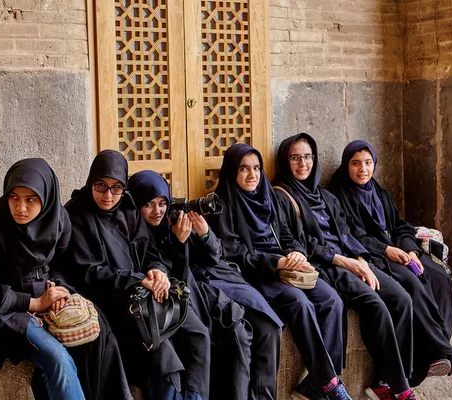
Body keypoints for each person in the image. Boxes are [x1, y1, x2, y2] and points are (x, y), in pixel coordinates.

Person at [0, 158, 132, 400]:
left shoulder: (58, 221)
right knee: (56, 357)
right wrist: (35, 303)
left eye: (31, 199)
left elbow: (60, 267)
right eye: (14, 197)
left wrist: (59, 292)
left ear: (46, 198)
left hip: (45, 301)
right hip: (1, 312)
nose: (21, 208)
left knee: (99, 333)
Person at [273, 133, 416, 400]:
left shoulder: (326, 196)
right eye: (295, 158)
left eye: (307, 157)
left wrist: (361, 260)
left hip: (351, 260)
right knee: (375, 305)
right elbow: (301, 243)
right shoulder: (281, 196)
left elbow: (346, 233)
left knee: (400, 298)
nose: (303, 164)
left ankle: (386, 379)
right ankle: (399, 388)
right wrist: (343, 261)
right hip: (326, 266)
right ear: (285, 161)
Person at [208, 143, 351, 400]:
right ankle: (329, 382)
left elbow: (287, 233)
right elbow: (233, 255)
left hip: (288, 266)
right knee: (299, 303)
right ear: (231, 171)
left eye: (256, 169)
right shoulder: (222, 205)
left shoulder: (268, 196)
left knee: (331, 300)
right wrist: (276, 263)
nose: (252, 176)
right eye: (243, 169)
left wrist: (295, 252)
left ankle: (313, 385)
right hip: (257, 275)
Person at [64, 150, 211, 400]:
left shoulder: (128, 209)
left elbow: (150, 252)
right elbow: (88, 271)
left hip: (146, 293)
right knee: (159, 345)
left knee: (197, 333)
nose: (108, 195)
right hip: (112, 300)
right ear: (91, 182)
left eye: (116, 187)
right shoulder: (76, 215)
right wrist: (137, 279)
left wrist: (157, 271)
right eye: (101, 186)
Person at [327, 140, 452, 386]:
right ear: (346, 165)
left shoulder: (379, 192)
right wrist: (386, 249)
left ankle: (439, 352)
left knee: (439, 279)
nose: (362, 169)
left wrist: (409, 250)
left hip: (401, 251)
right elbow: (349, 235)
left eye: (368, 163)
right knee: (411, 283)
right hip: (374, 256)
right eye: (355, 163)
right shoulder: (338, 195)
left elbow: (400, 226)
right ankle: (445, 353)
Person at [128, 170, 283, 400]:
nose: (157, 211)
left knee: (241, 330)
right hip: (175, 300)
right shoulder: (133, 230)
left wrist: (204, 234)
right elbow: (170, 275)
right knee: (205, 335)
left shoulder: (172, 218)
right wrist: (178, 244)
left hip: (200, 291)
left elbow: (215, 256)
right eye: (148, 204)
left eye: (162, 203)